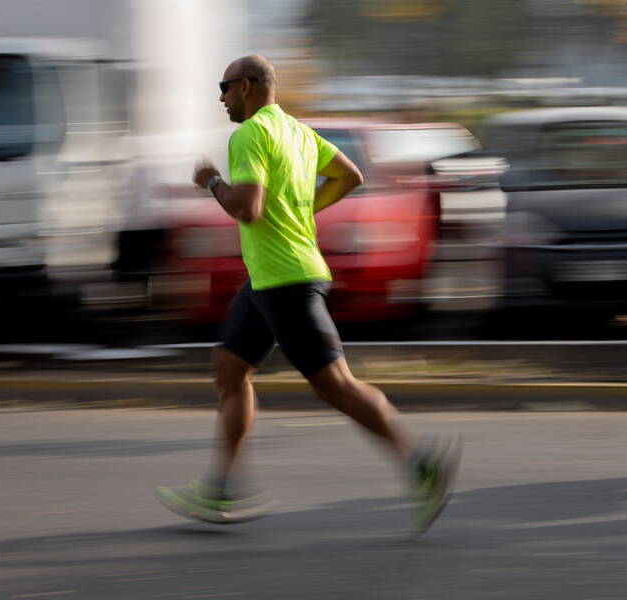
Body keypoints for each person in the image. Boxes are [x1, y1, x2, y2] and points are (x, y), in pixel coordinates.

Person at [156, 55, 458, 534]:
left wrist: (212, 181)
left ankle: (422, 464)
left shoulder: (250, 134)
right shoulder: (298, 132)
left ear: (248, 86)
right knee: (229, 370)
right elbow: (350, 176)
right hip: (266, 279)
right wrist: (302, 211)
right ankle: (220, 488)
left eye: (225, 87)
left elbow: (249, 208)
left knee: (335, 385)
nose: (221, 97)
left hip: (285, 280)